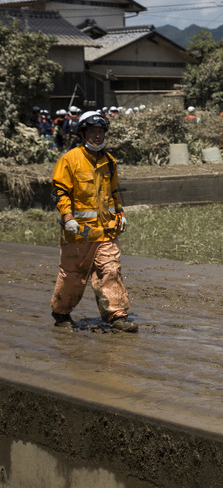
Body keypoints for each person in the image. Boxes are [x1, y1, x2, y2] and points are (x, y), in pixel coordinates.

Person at [49, 111, 137, 332]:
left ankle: (116, 316)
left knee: (110, 271)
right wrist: (67, 217)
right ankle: (61, 315)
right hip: (78, 233)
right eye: (92, 132)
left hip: (107, 230)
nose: (97, 136)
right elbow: (59, 192)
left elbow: (114, 192)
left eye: (100, 132)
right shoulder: (70, 160)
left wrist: (121, 214)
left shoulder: (109, 161)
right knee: (72, 277)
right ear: (82, 133)